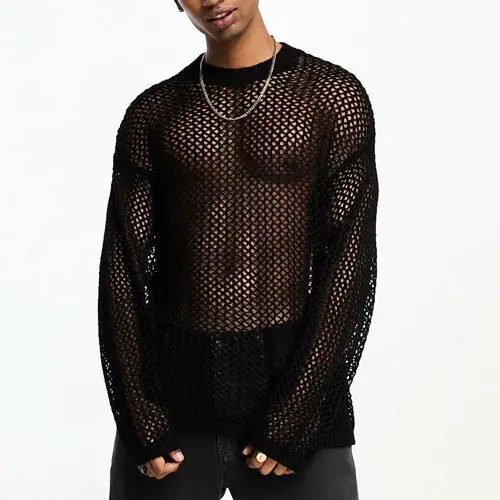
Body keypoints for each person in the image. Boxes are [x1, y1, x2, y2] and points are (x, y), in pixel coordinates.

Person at [97, 0, 379, 498]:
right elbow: (122, 271)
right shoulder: (155, 114)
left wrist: (298, 414)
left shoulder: (330, 97)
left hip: (298, 403)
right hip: (172, 412)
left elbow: (348, 265)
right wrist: (139, 415)